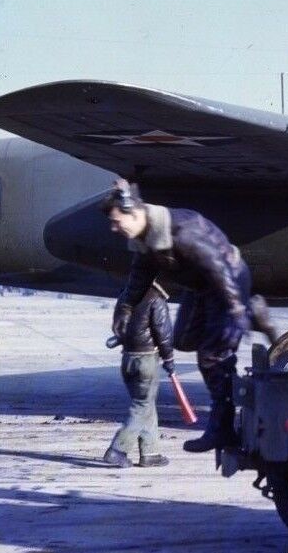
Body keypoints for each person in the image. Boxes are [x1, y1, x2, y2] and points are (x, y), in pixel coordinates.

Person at [104, 180, 276, 453]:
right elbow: (140, 276)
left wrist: (236, 309)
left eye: (117, 221)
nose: (115, 228)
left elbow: (218, 268)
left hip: (228, 281)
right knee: (183, 338)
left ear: (134, 212)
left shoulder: (183, 231)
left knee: (212, 357)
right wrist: (125, 308)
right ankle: (253, 311)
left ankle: (222, 429)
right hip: (202, 287)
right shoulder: (145, 238)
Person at [103, 280, 174, 468]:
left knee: (146, 404)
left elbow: (118, 327)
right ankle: (117, 450)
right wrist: (169, 359)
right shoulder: (156, 299)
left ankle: (150, 453)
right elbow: (163, 332)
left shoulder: (126, 296)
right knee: (142, 406)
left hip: (127, 360)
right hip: (146, 360)